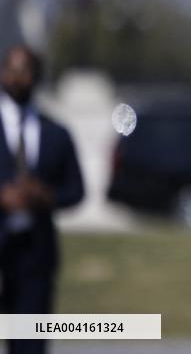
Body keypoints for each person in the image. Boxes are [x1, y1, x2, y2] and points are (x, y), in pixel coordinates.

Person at [0, 44, 85, 354]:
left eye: (26, 70)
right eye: (12, 69)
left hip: (35, 258)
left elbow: (77, 190)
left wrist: (45, 196)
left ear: (36, 76)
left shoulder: (55, 133)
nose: (18, 77)